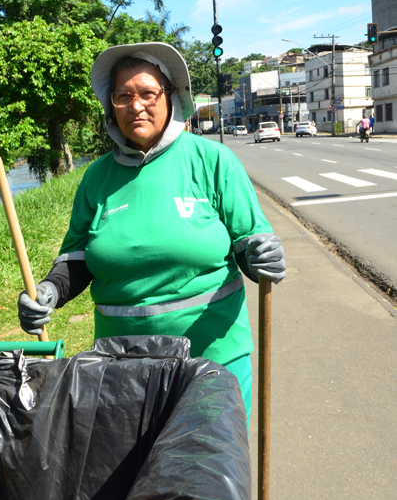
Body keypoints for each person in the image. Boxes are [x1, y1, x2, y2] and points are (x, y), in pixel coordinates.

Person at [17, 43, 286, 426]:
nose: (135, 105)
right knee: (136, 481)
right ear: (111, 105)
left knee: (207, 482)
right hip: (122, 368)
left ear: (171, 97)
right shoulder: (96, 178)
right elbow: (76, 260)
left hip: (212, 362)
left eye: (147, 93)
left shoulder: (212, 162)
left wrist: (264, 259)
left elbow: (249, 246)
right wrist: (48, 291)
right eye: (123, 96)